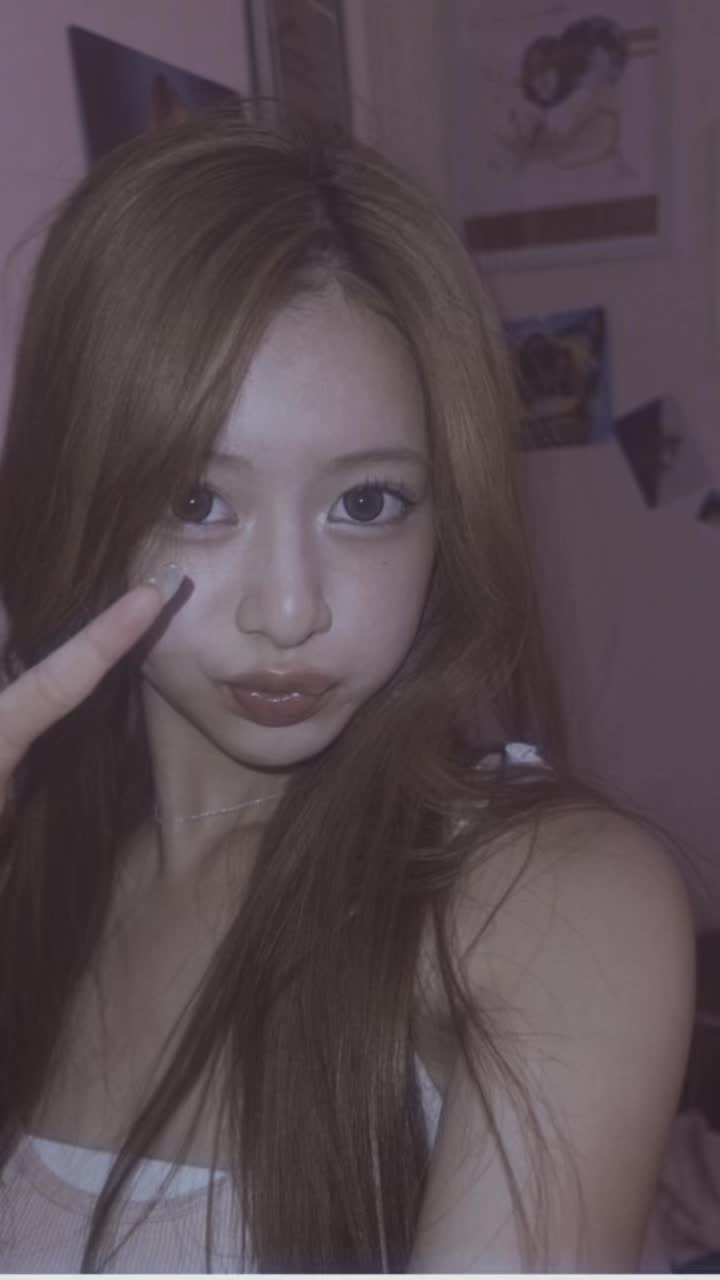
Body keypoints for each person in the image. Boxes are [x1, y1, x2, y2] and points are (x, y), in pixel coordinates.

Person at [0, 101, 695, 1273]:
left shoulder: (531, 894)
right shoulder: (36, 873)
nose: (289, 609)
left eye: (366, 502)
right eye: (197, 500)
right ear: (81, 499)